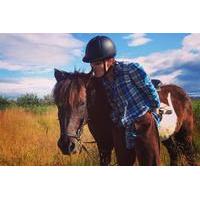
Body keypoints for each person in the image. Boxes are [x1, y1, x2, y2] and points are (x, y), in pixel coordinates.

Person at [82, 35, 161, 165]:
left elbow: (149, 90)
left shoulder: (131, 69)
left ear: (109, 60)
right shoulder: (100, 80)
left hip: (142, 122)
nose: (93, 68)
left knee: (150, 163)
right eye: (91, 64)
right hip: (120, 126)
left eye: (96, 64)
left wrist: (154, 113)